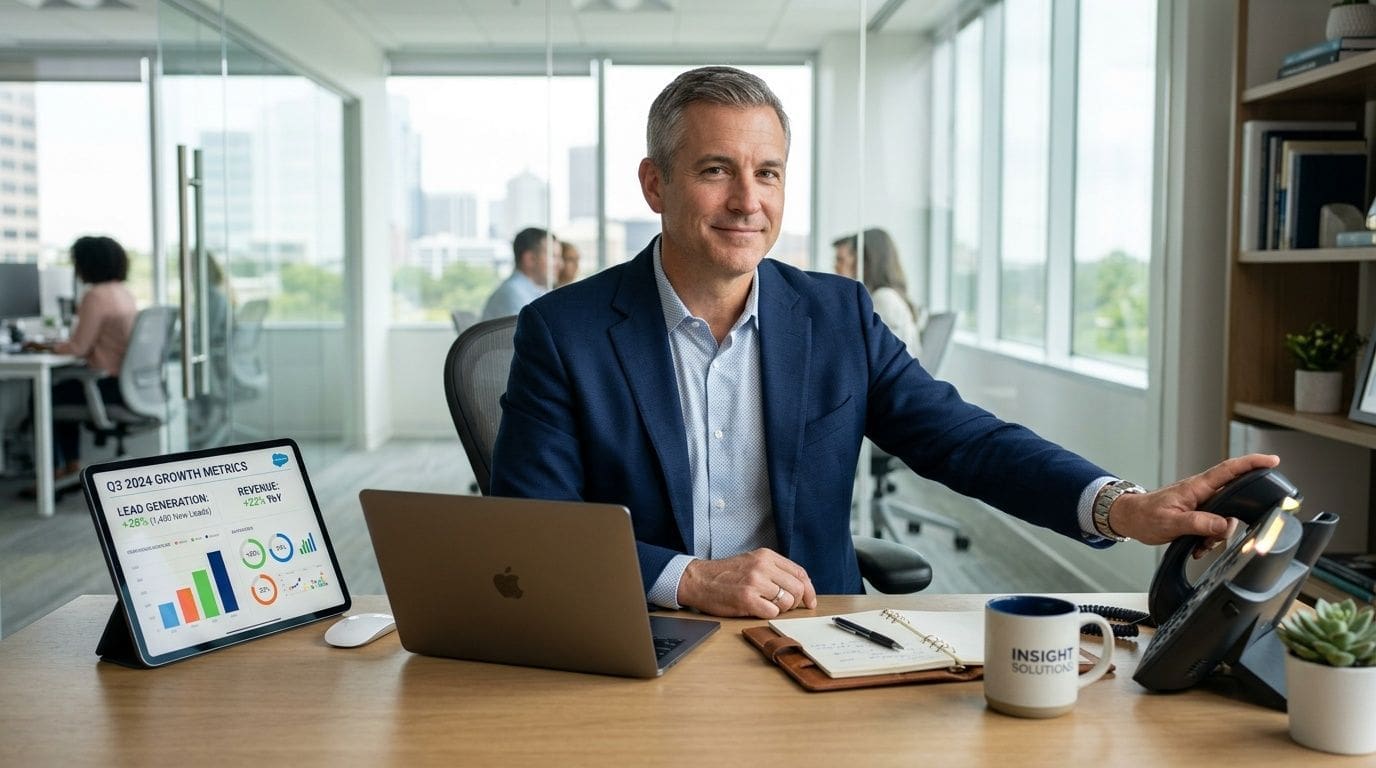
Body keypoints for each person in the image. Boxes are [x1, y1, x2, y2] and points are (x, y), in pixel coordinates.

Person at [489, 66, 1276, 620]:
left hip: (816, 630)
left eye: (768, 173)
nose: (746, 201)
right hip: (644, 629)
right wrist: (688, 578)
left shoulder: (836, 315)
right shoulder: (566, 331)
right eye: (716, 170)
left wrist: (1121, 507)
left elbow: (964, 440)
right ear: (655, 184)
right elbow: (536, 527)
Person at [27, 236, 137, 478]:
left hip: (106, 385)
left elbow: (78, 348)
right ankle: (70, 464)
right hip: (128, 385)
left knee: (42, 397)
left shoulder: (95, 295)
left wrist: (43, 347)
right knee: (62, 391)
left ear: (88, 263)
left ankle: (53, 470)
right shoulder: (123, 293)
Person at [833, 228, 926, 356]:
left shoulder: (884, 298)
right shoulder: (886, 296)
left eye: (853, 255)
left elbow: (862, 353)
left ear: (867, 259)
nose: (851, 262)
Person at [481, 227, 555, 320]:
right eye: (553, 256)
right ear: (530, 259)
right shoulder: (513, 294)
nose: (560, 264)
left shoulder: (529, 291)